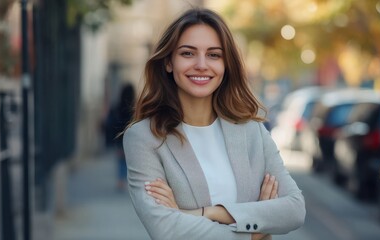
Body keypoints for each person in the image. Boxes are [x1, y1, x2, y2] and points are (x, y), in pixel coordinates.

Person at [122, 8, 305, 240]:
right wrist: (254, 231)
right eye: (188, 54)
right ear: (168, 62)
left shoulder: (251, 131)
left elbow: (294, 210)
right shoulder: (145, 137)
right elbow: (166, 230)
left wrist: (206, 213)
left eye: (214, 55)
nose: (201, 65)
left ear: (226, 64)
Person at [111, 83, 135, 190]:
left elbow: (114, 124)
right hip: (132, 138)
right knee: (130, 160)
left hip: (120, 138)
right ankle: (129, 180)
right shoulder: (135, 107)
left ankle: (120, 181)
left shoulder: (118, 106)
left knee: (121, 161)